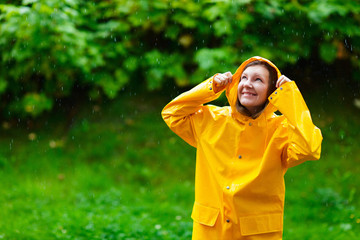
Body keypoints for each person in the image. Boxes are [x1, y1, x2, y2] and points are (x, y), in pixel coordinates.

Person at [161, 56, 322, 240]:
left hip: (257, 234)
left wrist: (290, 98)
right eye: (243, 78)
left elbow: (310, 148)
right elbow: (171, 113)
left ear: (272, 90)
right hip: (211, 231)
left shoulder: (282, 129)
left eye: (258, 80)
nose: (247, 84)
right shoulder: (211, 119)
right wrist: (210, 87)